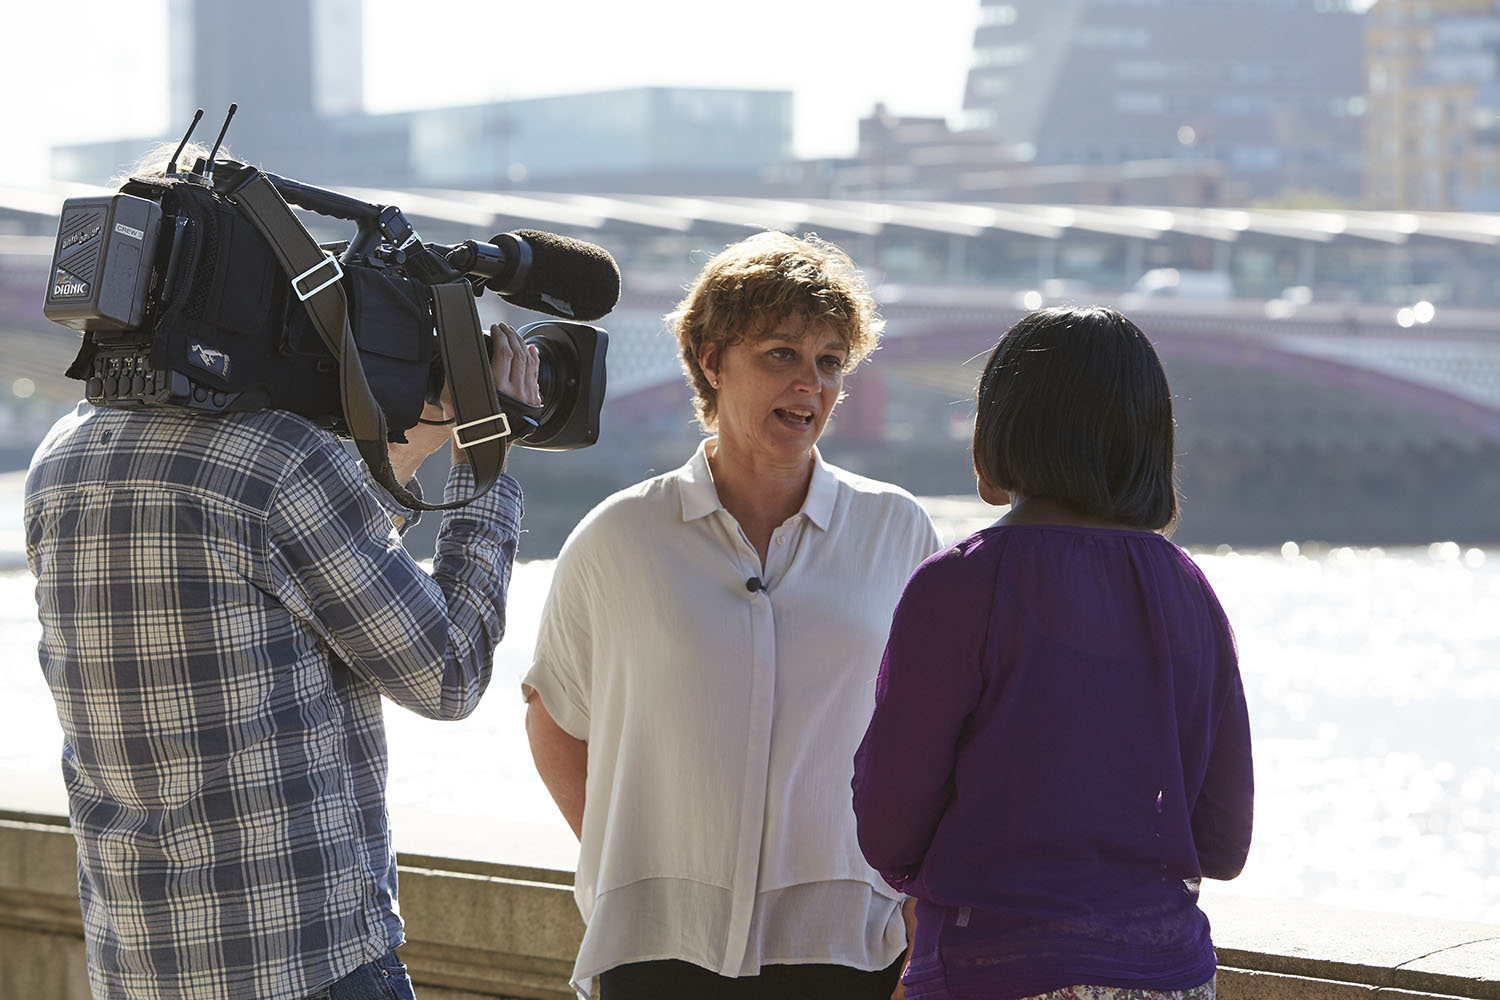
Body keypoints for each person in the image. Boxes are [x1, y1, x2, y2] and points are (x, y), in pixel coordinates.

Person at [25, 142, 542, 1000]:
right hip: (307, 966)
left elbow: (277, 586)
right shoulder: (280, 464)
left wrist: (403, 453)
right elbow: (447, 672)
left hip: (141, 966)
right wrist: (490, 460)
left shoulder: (64, 460)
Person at [522, 231, 942, 999]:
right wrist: (637, 863)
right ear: (712, 361)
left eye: (829, 361)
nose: (810, 384)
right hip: (658, 950)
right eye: (780, 353)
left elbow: (936, 738)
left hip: (845, 944)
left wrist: (917, 906)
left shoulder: (898, 530)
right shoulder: (618, 537)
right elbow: (554, 716)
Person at [851, 306, 1254, 1000]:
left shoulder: (960, 584)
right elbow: (1222, 841)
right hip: (1173, 974)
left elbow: (888, 830)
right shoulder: (1189, 590)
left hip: (996, 971)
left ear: (1000, 430)